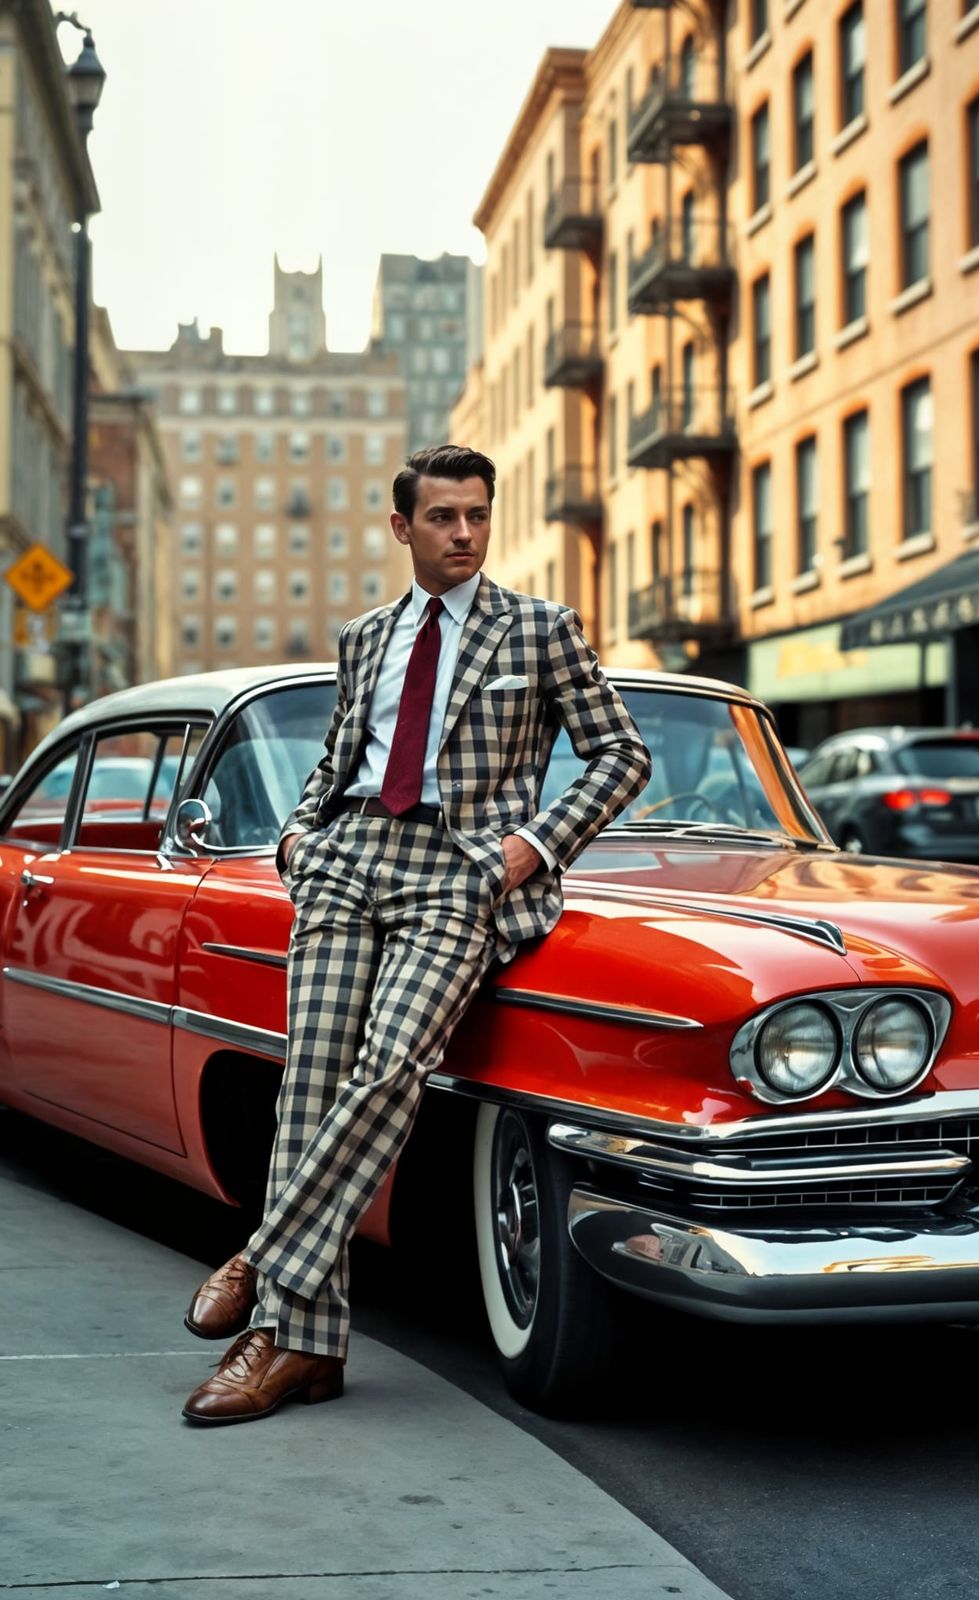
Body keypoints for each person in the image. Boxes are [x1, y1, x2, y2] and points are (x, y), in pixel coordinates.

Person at [180, 445, 650, 1426]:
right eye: (442, 517)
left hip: (461, 870)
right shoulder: (364, 640)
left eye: (478, 514)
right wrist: (303, 837)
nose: (465, 533)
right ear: (403, 527)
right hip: (347, 860)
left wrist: (527, 849)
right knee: (307, 1095)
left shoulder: (540, 628)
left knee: (392, 1065)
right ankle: (299, 1349)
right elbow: (336, 757)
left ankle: (263, 1257)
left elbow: (620, 753)